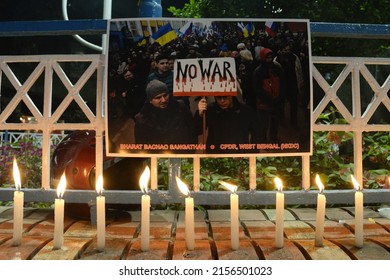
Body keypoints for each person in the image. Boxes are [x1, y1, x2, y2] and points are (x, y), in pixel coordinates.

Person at [134, 80, 197, 153]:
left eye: (165, 95)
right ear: (150, 100)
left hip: (183, 157)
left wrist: (190, 152)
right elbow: (141, 148)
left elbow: (193, 131)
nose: (163, 100)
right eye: (158, 97)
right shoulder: (141, 119)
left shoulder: (181, 107)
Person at [195, 95, 260, 154]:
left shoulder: (246, 111)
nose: (222, 100)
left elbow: (257, 135)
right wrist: (200, 115)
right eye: (218, 97)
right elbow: (198, 130)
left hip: (240, 156)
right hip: (215, 156)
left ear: (231, 96)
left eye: (225, 97)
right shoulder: (210, 110)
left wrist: (252, 155)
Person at [252, 48, 285, 143]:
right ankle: (263, 141)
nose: (269, 59)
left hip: (277, 101)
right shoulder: (258, 72)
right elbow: (257, 89)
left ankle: (273, 138)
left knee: (275, 123)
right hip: (264, 103)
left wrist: (280, 98)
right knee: (263, 124)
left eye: (271, 57)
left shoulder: (277, 68)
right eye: (267, 58)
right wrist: (268, 99)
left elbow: (283, 84)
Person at [274, 40, 304, 127]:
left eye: (288, 50)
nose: (287, 52)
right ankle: (281, 120)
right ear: (281, 50)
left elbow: (299, 70)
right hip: (281, 85)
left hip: (293, 84)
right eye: (285, 50)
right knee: (281, 104)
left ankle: (293, 122)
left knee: (294, 104)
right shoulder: (276, 59)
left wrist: (301, 82)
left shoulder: (294, 58)